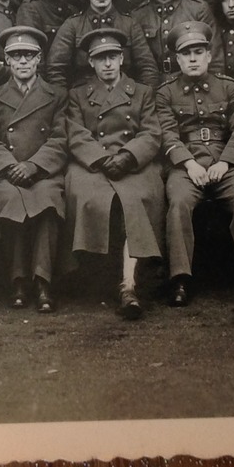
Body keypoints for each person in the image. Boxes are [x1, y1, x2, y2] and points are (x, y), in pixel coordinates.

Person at [156, 22, 234, 307]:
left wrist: (226, 162)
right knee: (179, 202)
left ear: (209, 55)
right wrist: (189, 164)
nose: (193, 58)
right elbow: (167, 134)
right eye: (187, 54)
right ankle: (180, 277)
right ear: (178, 59)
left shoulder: (229, 87)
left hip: (225, 161)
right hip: (185, 166)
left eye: (198, 51)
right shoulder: (165, 93)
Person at [63, 27, 167, 320]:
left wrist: (127, 157)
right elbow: (75, 133)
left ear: (122, 59)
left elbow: (151, 133)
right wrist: (99, 158)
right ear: (91, 63)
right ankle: (92, 275)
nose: (107, 64)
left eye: (112, 57)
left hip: (133, 162)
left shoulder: (143, 92)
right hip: (92, 164)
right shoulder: (78, 95)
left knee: (137, 198)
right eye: (100, 58)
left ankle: (128, 283)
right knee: (86, 195)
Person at [0, 26, 70, 312]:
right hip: (9, 172)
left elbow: (60, 138)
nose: (22, 61)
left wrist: (34, 165)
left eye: (29, 55)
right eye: (16, 55)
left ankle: (43, 280)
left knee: (47, 202)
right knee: (10, 200)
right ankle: (18, 280)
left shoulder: (56, 94)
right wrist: (10, 167)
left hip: (42, 171)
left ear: (39, 59)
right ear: (6, 60)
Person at [45, 0, 160, 89]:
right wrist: (68, 103)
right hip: (83, 101)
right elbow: (55, 69)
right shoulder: (73, 25)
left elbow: (148, 68)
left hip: (124, 99)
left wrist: (140, 100)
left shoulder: (130, 24)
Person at [130, 0, 222, 79]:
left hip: (191, 83)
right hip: (153, 86)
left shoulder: (197, 9)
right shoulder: (139, 15)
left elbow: (215, 58)